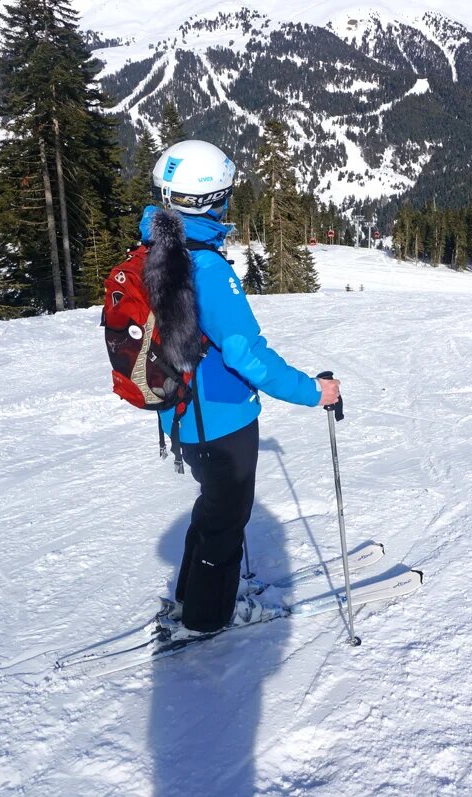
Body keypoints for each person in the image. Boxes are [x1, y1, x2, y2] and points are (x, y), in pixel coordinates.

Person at [137, 139, 340, 640]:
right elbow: (247, 355)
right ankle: (208, 617)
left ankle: (191, 598)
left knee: (212, 510)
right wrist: (314, 392)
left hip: (182, 415)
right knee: (226, 521)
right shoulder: (205, 267)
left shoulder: (153, 249)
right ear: (211, 200)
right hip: (221, 421)